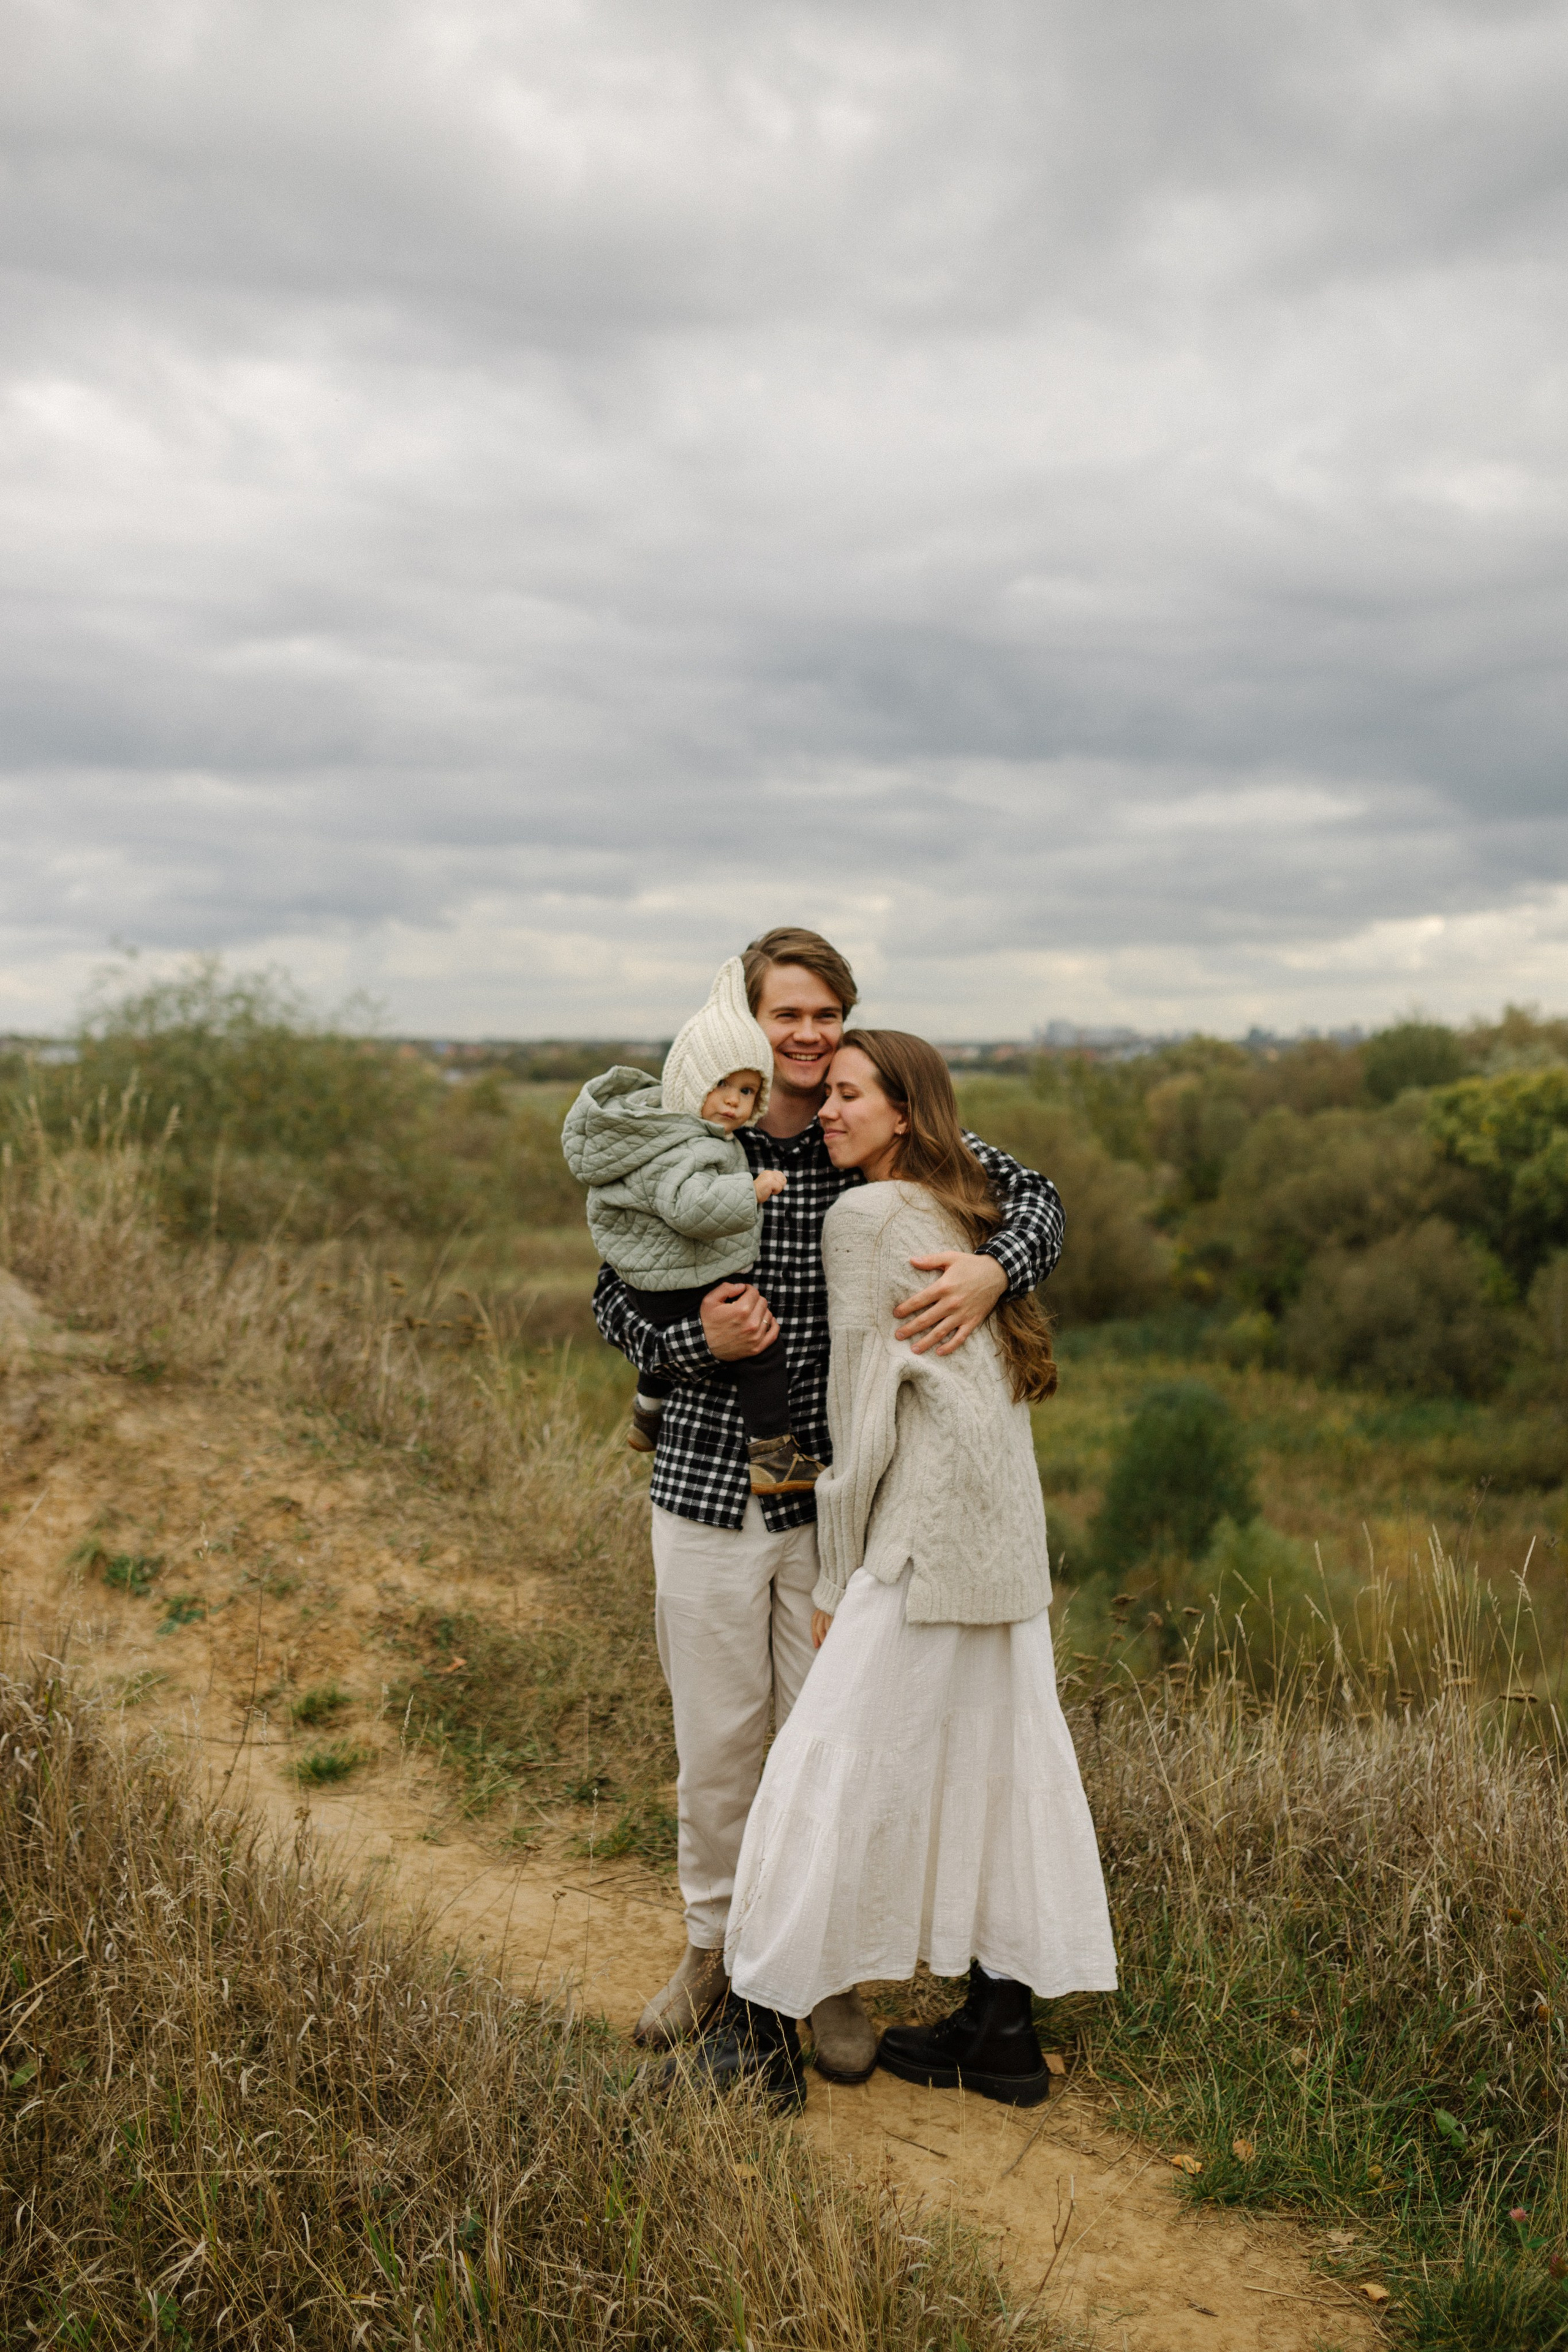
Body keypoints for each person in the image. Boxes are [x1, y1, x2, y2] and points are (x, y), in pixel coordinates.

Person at [592, 929, 1065, 2085]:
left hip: (828, 1503)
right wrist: (692, 1339)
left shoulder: (868, 1126)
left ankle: (823, 1978)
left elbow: (1036, 1199)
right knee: (719, 1747)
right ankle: (715, 1955)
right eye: (785, 1017)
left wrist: (1001, 1269)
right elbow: (613, 1299)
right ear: (750, 1022)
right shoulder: (701, 1128)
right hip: (705, 1481)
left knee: (823, 1745)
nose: (805, 1039)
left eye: (825, 1016)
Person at [696, 1030, 1117, 2113]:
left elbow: (862, 1412)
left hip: (924, 1543)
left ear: (904, 1111)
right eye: (825, 1094)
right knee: (1000, 1771)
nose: (830, 1110)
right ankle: (1002, 2033)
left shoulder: (868, 1215)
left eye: (849, 1095)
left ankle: (758, 2039)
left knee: (819, 1767)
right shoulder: (957, 1207)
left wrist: (837, 1574)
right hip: (1003, 1547)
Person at [561, 958, 824, 1494]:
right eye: (786, 1014)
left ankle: (646, 1415)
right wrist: (752, 1190)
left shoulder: (670, 1135)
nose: (735, 1100)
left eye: (749, 1091)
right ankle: (773, 1457)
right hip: (700, 1482)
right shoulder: (690, 1143)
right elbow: (687, 1209)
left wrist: (989, 1270)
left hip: (661, 1284)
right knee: (761, 1348)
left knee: (681, 1326)